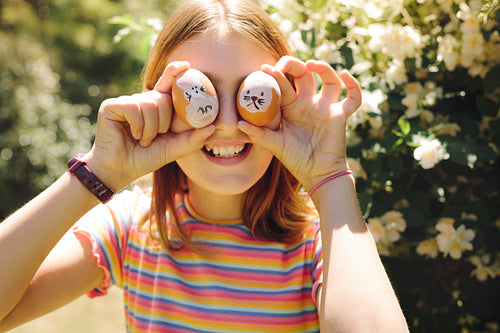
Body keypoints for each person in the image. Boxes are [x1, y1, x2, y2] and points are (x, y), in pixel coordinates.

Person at [0, 0, 409, 332]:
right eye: (200, 93)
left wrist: (329, 179)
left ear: (285, 106)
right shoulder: (131, 227)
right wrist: (96, 174)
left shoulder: (318, 245)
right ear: (157, 105)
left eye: (253, 93)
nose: (228, 123)